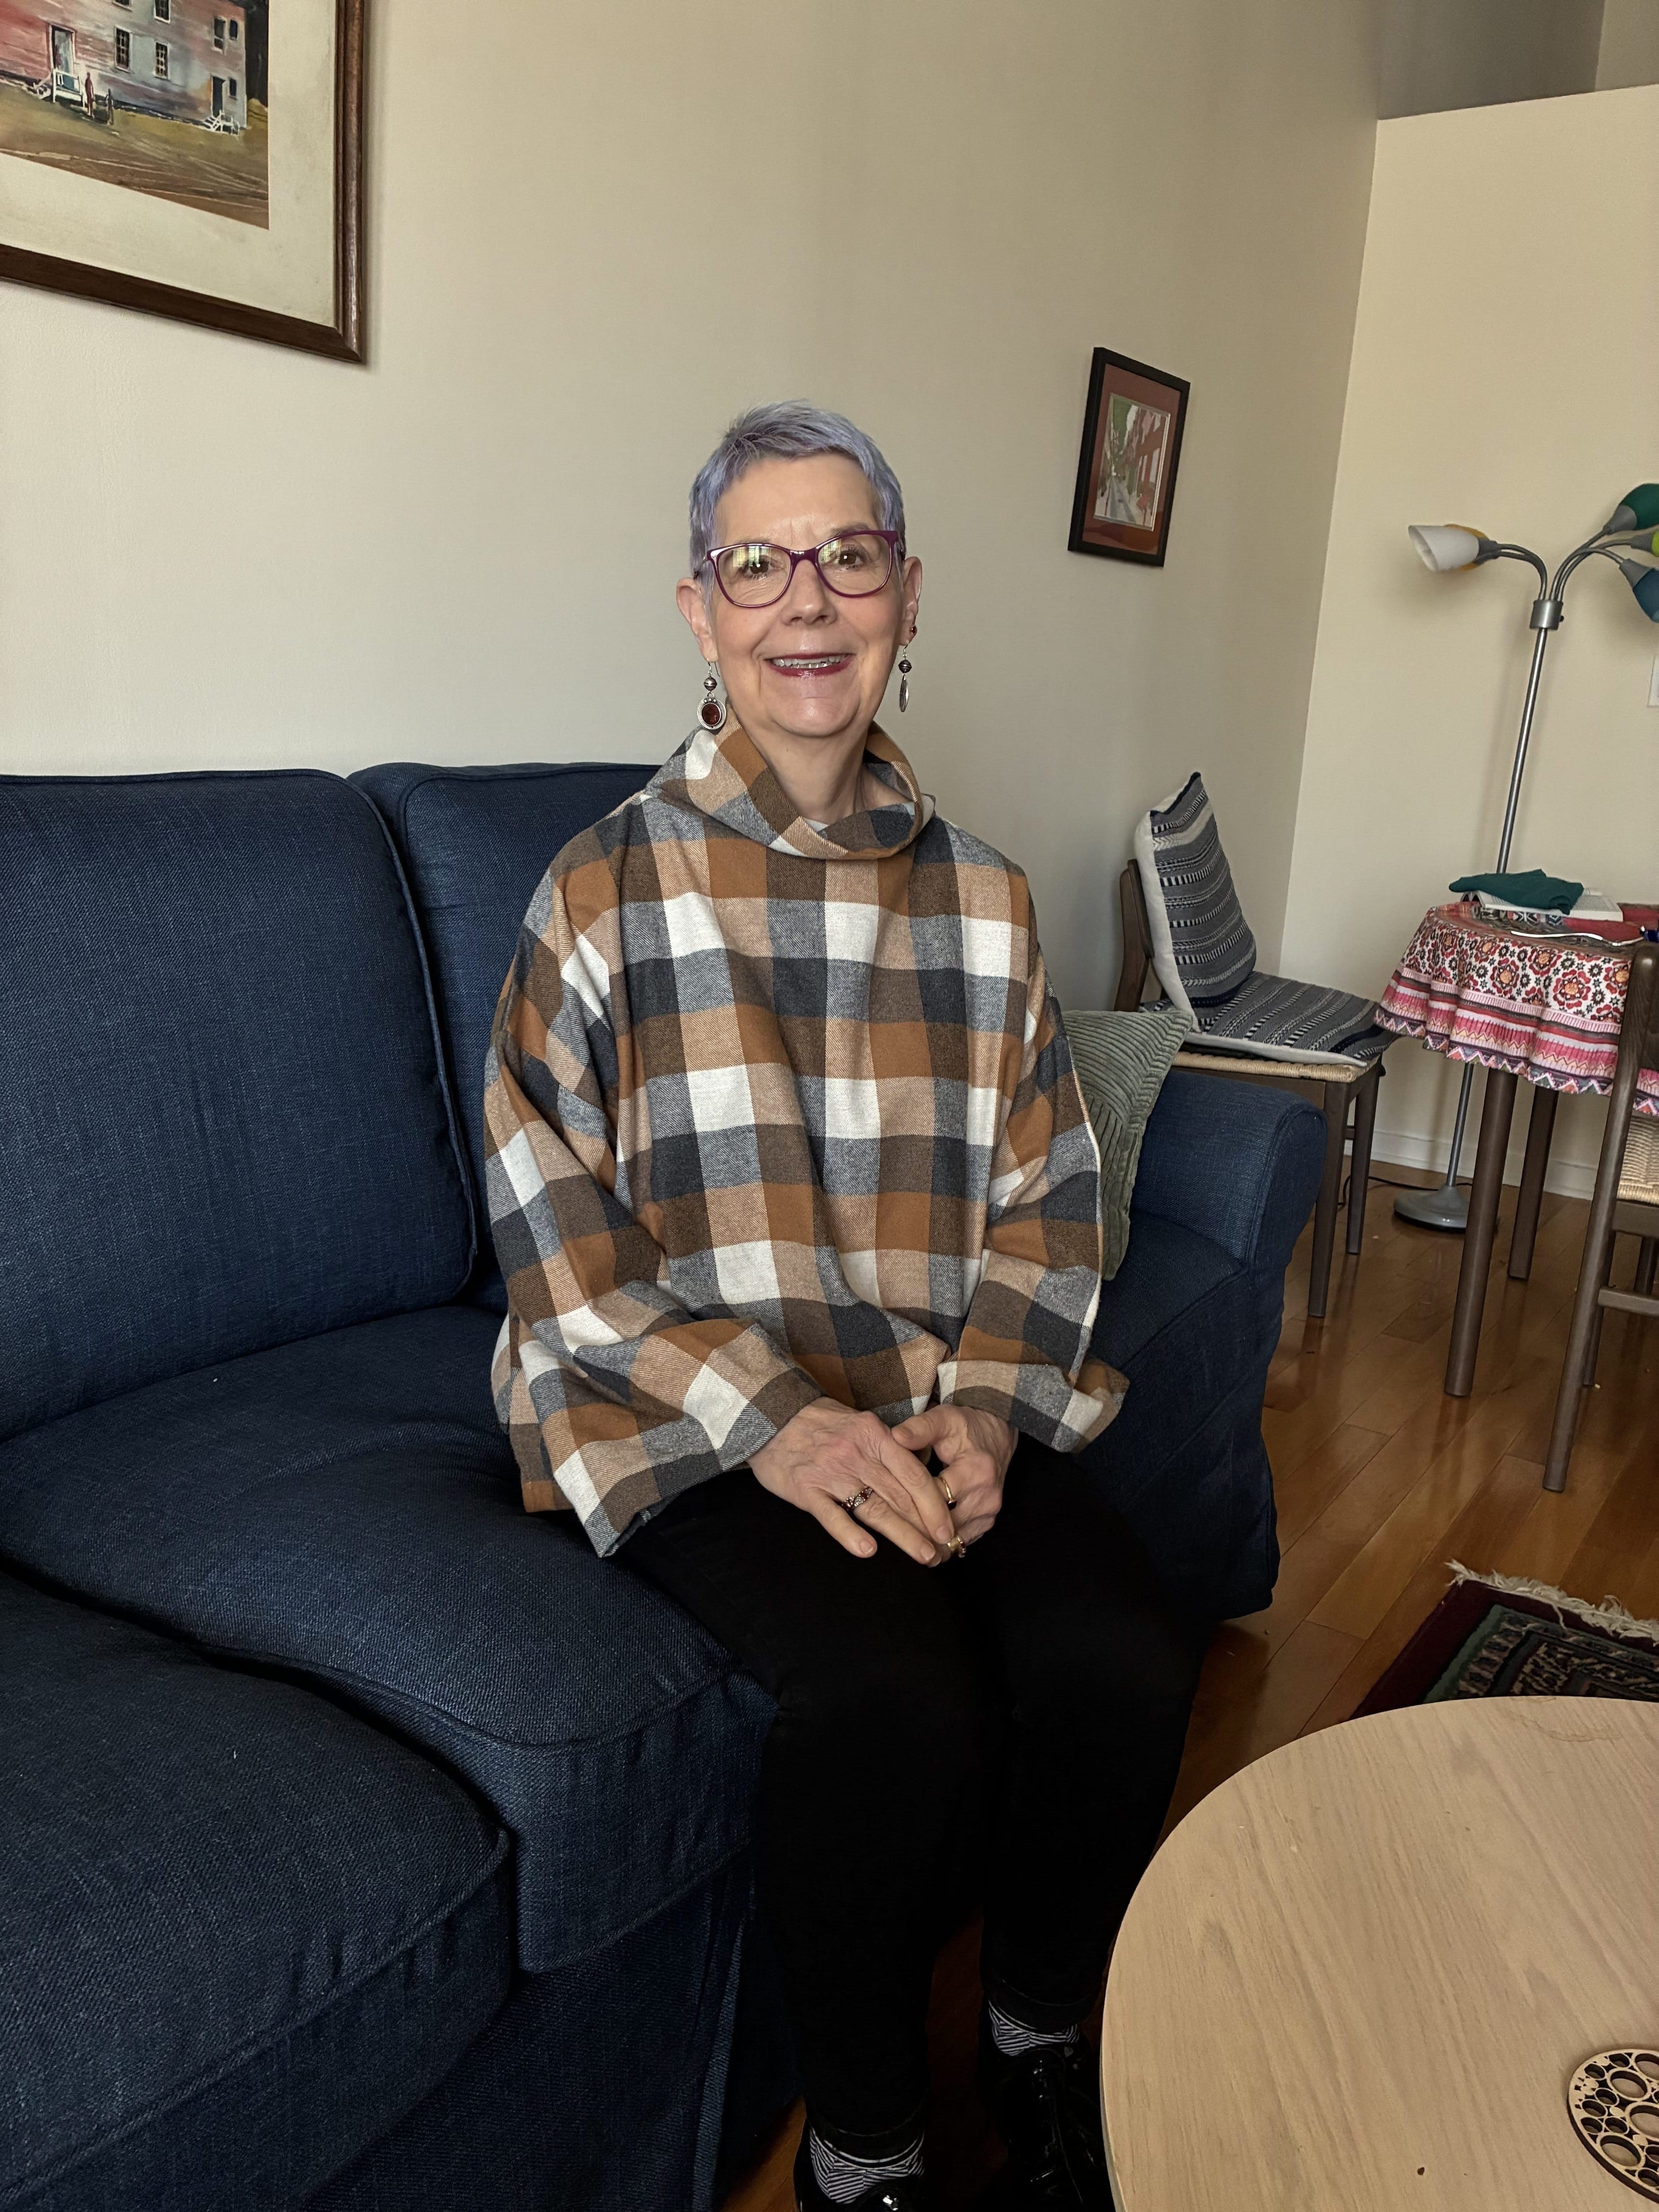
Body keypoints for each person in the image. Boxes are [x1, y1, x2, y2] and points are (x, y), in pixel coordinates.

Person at [485, 403, 1205, 2212]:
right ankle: (863, 2151)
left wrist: (996, 1407)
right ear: (699, 610)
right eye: (759, 564)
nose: (806, 602)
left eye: (849, 558)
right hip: (682, 1407)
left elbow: (1049, 1190)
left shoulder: (986, 899)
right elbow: (552, 1233)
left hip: (928, 1389)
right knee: (896, 1697)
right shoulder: (601, 887)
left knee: (1123, 1651)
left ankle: (1040, 2041)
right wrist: (779, 1423)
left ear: (906, 597)